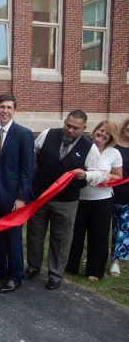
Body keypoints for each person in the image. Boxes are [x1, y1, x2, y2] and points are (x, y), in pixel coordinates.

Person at [26, 109, 106, 290]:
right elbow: (32, 151)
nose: (70, 130)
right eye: (67, 125)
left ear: (84, 128)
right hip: (39, 196)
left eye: (75, 128)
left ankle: (55, 274)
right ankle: (33, 266)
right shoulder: (47, 134)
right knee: (34, 233)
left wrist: (85, 174)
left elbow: (100, 174)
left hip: (66, 201)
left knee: (61, 238)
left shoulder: (90, 148)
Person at [0, 94, 34, 294]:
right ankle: (0, 269)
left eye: (9, 107)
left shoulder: (24, 134)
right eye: (2, 107)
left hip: (13, 196)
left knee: (13, 236)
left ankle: (16, 275)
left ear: (14, 110)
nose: (5, 110)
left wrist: (21, 197)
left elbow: (27, 169)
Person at [66, 121, 122, 281]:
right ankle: (71, 266)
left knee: (98, 236)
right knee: (75, 234)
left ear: (111, 137)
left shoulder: (113, 153)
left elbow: (119, 176)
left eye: (108, 133)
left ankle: (94, 271)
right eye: (101, 130)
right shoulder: (84, 147)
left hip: (102, 200)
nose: (103, 134)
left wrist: (106, 176)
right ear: (95, 130)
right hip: (80, 198)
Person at [110, 117, 129, 277]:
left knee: (121, 230)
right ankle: (97, 257)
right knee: (101, 229)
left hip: (126, 196)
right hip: (107, 192)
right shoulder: (113, 143)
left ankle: (115, 261)